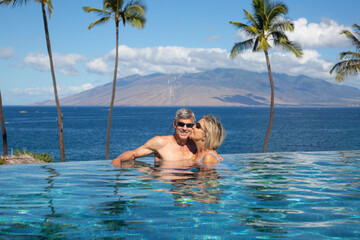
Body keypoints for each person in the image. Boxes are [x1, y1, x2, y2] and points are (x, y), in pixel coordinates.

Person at [112, 108, 197, 167]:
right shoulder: (161, 143)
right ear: (175, 124)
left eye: (189, 125)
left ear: (193, 127)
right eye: (181, 124)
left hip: (187, 186)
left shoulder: (195, 145)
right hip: (164, 187)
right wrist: (118, 160)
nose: (185, 128)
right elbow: (133, 154)